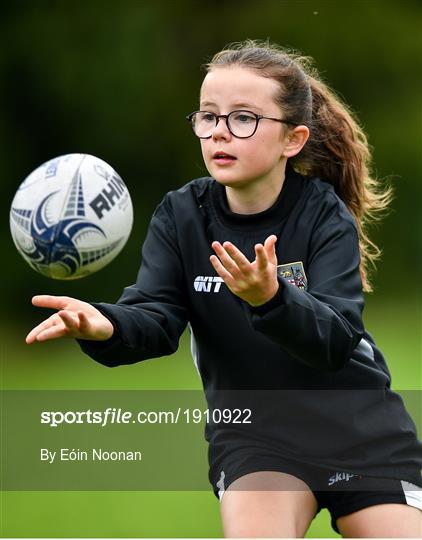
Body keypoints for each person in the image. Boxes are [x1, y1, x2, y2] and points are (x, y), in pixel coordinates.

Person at [26, 40, 422, 538]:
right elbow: (155, 317)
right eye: (208, 116)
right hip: (257, 438)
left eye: (243, 119)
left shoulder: (323, 214)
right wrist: (106, 323)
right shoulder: (182, 215)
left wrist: (272, 299)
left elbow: (337, 339)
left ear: (293, 139)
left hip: (362, 433)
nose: (219, 133)